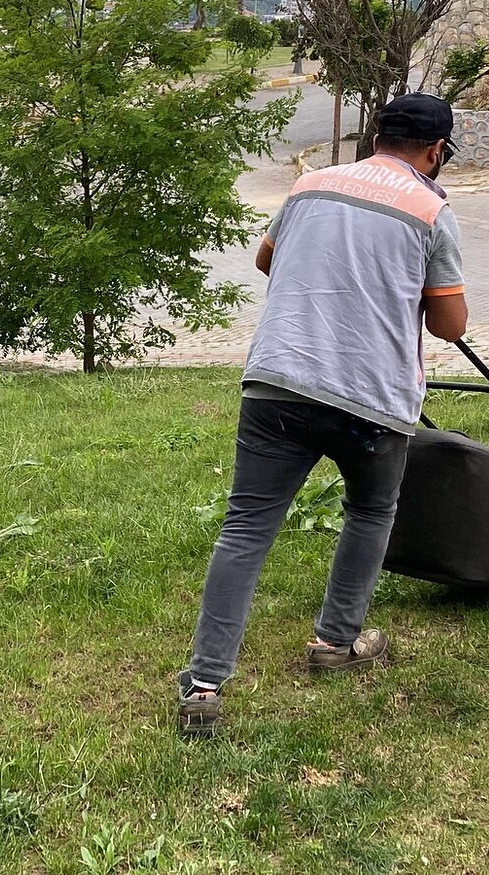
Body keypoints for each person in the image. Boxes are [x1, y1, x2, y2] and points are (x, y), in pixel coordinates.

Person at [178, 93, 469, 737]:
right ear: (434, 151)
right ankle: (335, 643)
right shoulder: (431, 209)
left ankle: (203, 685)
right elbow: (450, 326)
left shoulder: (310, 186)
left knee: (247, 528)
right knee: (370, 510)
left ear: (374, 137)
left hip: (278, 382)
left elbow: (266, 259)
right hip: (371, 401)